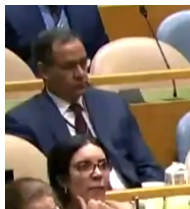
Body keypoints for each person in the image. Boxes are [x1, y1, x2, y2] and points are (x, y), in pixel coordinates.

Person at [5, 29, 162, 188]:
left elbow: (148, 166)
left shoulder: (113, 104)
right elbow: (32, 189)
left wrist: (150, 195)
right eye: (69, 67)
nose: (80, 74)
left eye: (83, 63)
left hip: (129, 195)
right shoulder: (22, 122)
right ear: (43, 71)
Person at [6, 5, 109, 70]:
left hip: (85, 86)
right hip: (33, 89)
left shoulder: (86, 8)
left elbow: (99, 52)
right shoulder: (8, 13)